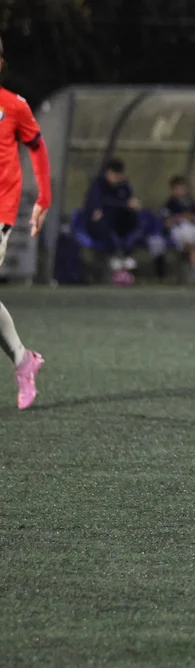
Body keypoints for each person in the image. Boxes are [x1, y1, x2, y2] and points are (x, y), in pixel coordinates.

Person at [0, 36, 49, 408]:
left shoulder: (14, 105)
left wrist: (44, 197)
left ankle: (22, 359)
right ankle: (22, 359)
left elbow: (37, 148)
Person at [83, 157, 142, 285]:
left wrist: (130, 204)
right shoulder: (98, 185)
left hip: (118, 223)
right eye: (113, 174)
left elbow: (129, 202)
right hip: (100, 226)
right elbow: (100, 205)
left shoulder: (123, 186)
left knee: (135, 219)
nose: (115, 178)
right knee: (105, 223)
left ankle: (126, 255)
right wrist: (124, 204)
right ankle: (117, 257)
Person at [160, 175, 195, 285]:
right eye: (178, 188)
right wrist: (180, 217)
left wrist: (192, 217)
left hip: (194, 227)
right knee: (189, 243)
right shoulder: (169, 203)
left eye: (183, 188)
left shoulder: (191, 202)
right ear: (172, 189)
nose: (181, 190)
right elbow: (166, 223)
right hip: (179, 229)